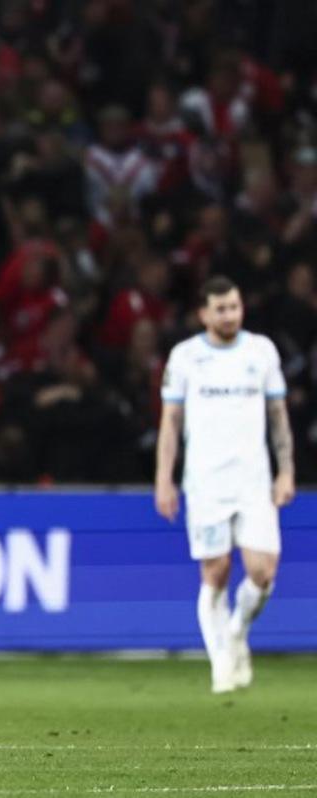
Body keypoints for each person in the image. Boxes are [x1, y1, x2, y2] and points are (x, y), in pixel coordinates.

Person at [155, 275, 294, 694]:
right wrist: (164, 479)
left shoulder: (261, 351)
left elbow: (278, 415)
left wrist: (286, 471)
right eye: (221, 309)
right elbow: (171, 422)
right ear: (204, 314)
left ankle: (236, 632)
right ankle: (220, 664)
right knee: (215, 572)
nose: (230, 315)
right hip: (206, 483)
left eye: (234, 307)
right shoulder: (185, 358)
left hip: (253, 480)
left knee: (263, 571)